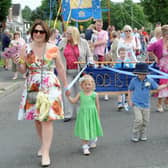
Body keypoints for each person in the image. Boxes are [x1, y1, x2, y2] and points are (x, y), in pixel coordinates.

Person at [13, 19, 69, 167]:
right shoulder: (26, 48)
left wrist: (66, 86)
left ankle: (45, 153)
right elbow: (23, 70)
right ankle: (43, 145)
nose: (38, 34)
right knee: (37, 118)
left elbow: (61, 68)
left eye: (41, 31)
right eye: (35, 31)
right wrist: (18, 62)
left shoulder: (53, 48)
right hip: (32, 85)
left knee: (47, 118)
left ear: (46, 33)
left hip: (50, 85)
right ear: (32, 33)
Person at [58, 26, 93, 122]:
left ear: (74, 34)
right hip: (66, 71)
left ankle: (80, 113)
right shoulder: (62, 42)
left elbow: (89, 55)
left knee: (80, 92)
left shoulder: (83, 42)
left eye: (69, 33)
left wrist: (90, 60)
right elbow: (57, 55)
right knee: (67, 92)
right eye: (66, 33)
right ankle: (67, 114)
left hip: (80, 71)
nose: (67, 35)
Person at [128, 63, 168, 142]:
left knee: (145, 121)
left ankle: (142, 133)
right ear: (136, 73)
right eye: (139, 74)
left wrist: (166, 85)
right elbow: (130, 89)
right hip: (136, 104)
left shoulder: (150, 80)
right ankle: (135, 133)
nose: (141, 75)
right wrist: (129, 100)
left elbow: (157, 87)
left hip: (146, 105)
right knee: (138, 120)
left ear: (146, 73)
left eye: (143, 74)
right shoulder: (134, 81)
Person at [67, 74, 103, 155]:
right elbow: (73, 101)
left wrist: (98, 115)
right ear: (81, 85)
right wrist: (68, 96)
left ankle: (93, 139)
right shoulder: (80, 94)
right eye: (85, 84)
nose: (87, 86)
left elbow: (97, 105)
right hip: (83, 115)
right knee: (85, 130)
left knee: (92, 128)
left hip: (92, 114)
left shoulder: (95, 94)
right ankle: (85, 147)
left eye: (89, 84)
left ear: (92, 85)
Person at [147, 24, 168, 112]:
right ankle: (159, 104)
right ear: (164, 34)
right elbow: (149, 49)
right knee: (163, 85)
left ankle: (166, 103)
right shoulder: (158, 43)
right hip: (162, 66)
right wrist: (155, 57)